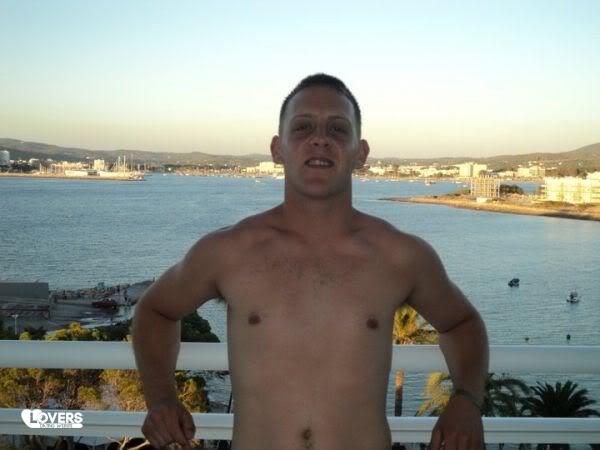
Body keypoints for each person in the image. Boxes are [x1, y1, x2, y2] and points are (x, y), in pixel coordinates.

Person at [132, 73, 489, 450]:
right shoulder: (229, 251)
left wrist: (466, 402)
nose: (320, 139)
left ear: (361, 153)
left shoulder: (400, 256)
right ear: (278, 149)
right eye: (303, 127)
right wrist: (161, 399)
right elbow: (156, 311)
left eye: (338, 129)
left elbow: (462, 323)